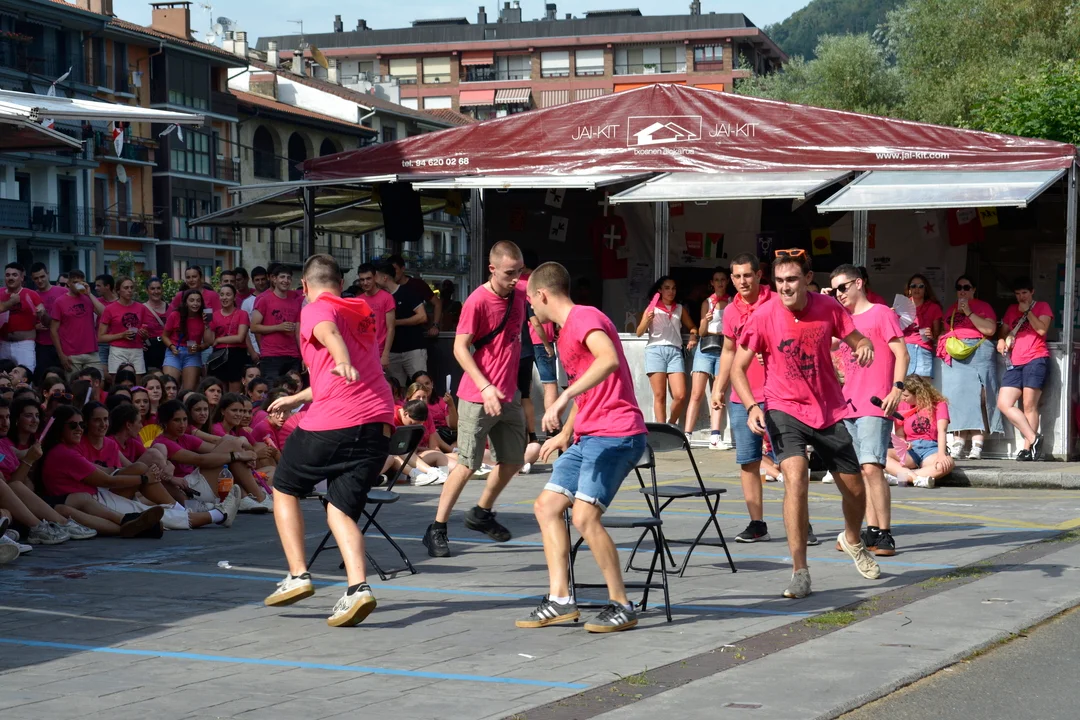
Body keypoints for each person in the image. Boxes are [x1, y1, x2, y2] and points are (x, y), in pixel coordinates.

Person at [730, 249, 881, 599]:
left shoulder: (829, 308)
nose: (785, 287)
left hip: (827, 409)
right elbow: (738, 367)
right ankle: (800, 571)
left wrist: (865, 346)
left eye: (792, 280)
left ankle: (852, 539)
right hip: (782, 407)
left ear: (808, 279)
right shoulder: (763, 315)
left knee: (855, 490)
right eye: (779, 281)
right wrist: (751, 406)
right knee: (795, 479)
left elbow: (856, 338)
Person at [262, 253, 395, 628]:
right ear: (341, 283)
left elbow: (329, 335)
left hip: (336, 421)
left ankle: (298, 574)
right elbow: (337, 372)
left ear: (305, 286)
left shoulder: (314, 309)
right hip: (378, 423)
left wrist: (341, 358)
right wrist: (297, 397)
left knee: (284, 486)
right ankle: (358, 589)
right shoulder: (360, 309)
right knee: (340, 508)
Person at [517, 261, 647, 633]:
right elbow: (590, 388)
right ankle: (560, 600)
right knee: (546, 506)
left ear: (542, 295)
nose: (530, 308)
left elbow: (608, 360)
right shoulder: (563, 335)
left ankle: (622, 605)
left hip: (617, 433)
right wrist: (565, 433)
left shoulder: (584, 318)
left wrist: (562, 397)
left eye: (530, 300)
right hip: (588, 434)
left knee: (584, 517)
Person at [422, 241, 527, 559]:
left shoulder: (521, 292)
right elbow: (459, 348)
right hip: (477, 396)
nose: (515, 278)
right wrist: (485, 387)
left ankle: (481, 512)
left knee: (513, 461)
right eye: (509, 273)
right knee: (467, 463)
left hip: (508, 395)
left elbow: (547, 288)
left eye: (519, 271)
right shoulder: (477, 301)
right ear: (492, 269)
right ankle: (437, 528)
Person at [830, 264, 908, 558]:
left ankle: (885, 533)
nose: (839, 294)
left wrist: (897, 389)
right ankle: (872, 529)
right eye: (834, 290)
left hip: (875, 403)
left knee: (873, 467)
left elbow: (902, 353)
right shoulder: (842, 320)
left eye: (842, 287)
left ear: (859, 283)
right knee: (860, 470)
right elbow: (824, 345)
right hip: (849, 404)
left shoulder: (881, 313)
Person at [712, 254, 783, 543]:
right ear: (732, 279)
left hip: (780, 394)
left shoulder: (777, 301)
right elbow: (728, 351)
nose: (743, 281)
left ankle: (803, 524)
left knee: (791, 462)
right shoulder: (730, 310)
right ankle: (757, 524)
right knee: (749, 462)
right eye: (737, 276)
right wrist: (718, 387)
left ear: (759, 275)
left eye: (747, 275)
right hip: (743, 396)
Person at [38, 405, 166, 538]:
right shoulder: (65, 453)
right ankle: (138, 525)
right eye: (73, 425)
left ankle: (135, 521)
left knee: (139, 473)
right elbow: (107, 481)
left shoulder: (65, 450)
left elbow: (110, 475)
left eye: (81, 425)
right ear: (60, 427)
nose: (79, 429)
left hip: (92, 499)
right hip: (94, 498)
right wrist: (144, 479)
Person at [938, 275, 1002, 459]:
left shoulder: (983, 306)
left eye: (966, 287)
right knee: (956, 397)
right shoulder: (951, 309)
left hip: (978, 352)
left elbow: (990, 330)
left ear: (973, 289)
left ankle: (977, 444)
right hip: (957, 353)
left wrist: (968, 312)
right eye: (959, 287)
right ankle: (958, 443)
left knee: (980, 397)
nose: (962, 291)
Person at [996, 277, 1053, 461]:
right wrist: (1001, 339)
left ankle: (1027, 449)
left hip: (1036, 358)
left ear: (1032, 292)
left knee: (1029, 405)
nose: (1021, 297)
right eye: (1018, 294)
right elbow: (1004, 330)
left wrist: (1027, 312)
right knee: (1004, 403)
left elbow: (1042, 330)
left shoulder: (1042, 306)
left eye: (1024, 293)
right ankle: (1034, 438)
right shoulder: (1011, 309)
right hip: (1015, 361)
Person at [636, 275, 698, 424]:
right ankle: (662, 429)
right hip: (655, 350)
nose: (671, 291)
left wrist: (693, 336)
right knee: (660, 396)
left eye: (673, 288)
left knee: (680, 395)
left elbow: (693, 327)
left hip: (675, 351)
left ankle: (670, 424)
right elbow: (639, 333)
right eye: (667, 288)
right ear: (660, 290)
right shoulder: (652, 308)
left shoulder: (679, 308)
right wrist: (647, 320)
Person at [685, 267, 730, 449]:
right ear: (712, 283)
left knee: (718, 393)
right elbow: (702, 332)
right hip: (705, 347)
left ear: (727, 281)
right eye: (716, 280)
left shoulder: (732, 302)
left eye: (722, 279)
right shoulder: (707, 302)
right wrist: (706, 320)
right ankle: (687, 435)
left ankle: (715, 437)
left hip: (724, 348)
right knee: (696, 393)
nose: (720, 283)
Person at [885, 374, 955, 488]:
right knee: (882, 455)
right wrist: (903, 442)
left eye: (906, 395)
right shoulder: (901, 406)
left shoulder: (939, 404)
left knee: (947, 463)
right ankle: (916, 479)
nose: (903, 398)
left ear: (918, 394)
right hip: (911, 449)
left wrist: (942, 454)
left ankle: (901, 478)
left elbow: (942, 431)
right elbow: (900, 435)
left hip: (931, 449)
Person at [375, 260, 428, 386]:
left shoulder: (408, 292)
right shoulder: (380, 297)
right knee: (396, 388)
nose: (373, 280)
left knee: (421, 386)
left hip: (413, 349)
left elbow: (422, 316)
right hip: (392, 352)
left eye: (375, 276)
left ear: (384, 277)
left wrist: (395, 323)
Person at [251, 265, 303, 380]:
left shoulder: (295, 303)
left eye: (288, 278)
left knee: (293, 389)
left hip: (293, 355)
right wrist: (278, 327)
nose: (286, 280)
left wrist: (303, 355)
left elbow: (298, 333)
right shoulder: (264, 300)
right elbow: (254, 327)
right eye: (282, 277)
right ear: (274, 279)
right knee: (272, 389)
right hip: (271, 355)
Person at [50, 269, 106, 374]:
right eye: (75, 282)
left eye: (81, 282)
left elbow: (104, 314)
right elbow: (53, 330)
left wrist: (89, 294)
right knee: (74, 383)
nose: (78, 285)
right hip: (71, 354)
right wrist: (61, 355)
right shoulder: (59, 302)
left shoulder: (88, 298)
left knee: (98, 381)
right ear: (68, 283)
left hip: (92, 351)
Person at [97, 276, 150, 376]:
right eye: (126, 288)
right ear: (118, 290)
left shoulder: (141, 308)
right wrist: (122, 335)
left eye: (131, 287)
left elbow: (146, 332)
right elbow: (100, 337)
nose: (129, 290)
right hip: (118, 350)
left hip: (137, 349)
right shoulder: (110, 309)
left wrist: (144, 334)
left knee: (138, 381)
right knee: (117, 381)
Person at [163, 288, 213, 390]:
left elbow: (209, 342)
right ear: (185, 302)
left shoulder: (203, 317)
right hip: (174, 352)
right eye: (192, 300)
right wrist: (171, 347)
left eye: (198, 301)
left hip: (193, 355)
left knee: (188, 390)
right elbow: (164, 336)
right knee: (169, 386)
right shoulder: (175, 315)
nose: (195, 303)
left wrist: (206, 325)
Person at [0, 262, 46, 372]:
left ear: (22, 278)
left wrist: (42, 313)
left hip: (24, 344)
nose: (10, 278)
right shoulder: (0, 293)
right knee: (3, 377)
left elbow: (46, 321)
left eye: (14, 275)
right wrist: (11, 302)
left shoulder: (32, 294)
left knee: (25, 376)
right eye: (7, 275)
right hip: (3, 344)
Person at [210, 284, 251, 392]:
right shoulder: (214, 315)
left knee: (235, 391)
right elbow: (210, 340)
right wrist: (206, 325)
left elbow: (240, 337)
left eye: (228, 294)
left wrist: (219, 340)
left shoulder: (242, 314)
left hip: (236, 353)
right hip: (219, 355)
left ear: (234, 297)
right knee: (219, 389)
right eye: (222, 294)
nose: (224, 297)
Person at [388, 253, 441, 337]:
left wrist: (435, 325)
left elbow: (437, 303)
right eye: (389, 270)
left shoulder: (417, 284)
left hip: (415, 335)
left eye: (394, 269)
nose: (392, 273)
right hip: (393, 337)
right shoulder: (386, 289)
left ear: (403, 269)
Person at [29, 262, 66, 381]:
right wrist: (35, 326)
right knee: (42, 379)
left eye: (42, 276)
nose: (40, 280)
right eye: (36, 278)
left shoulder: (63, 291)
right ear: (32, 279)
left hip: (63, 343)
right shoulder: (31, 296)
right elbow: (26, 321)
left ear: (48, 274)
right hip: (42, 344)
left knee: (64, 378)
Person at [902, 273, 943, 378]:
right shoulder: (901, 306)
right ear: (909, 289)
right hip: (904, 349)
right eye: (913, 286)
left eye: (921, 286)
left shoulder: (934, 308)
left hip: (923, 349)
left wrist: (932, 335)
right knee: (903, 385)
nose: (917, 289)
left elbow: (937, 335)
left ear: (925, 289)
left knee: (923, 386)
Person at [354, 263, 395, 368]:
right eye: (362, 280)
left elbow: (391, 328)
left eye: (368, 279)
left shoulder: (387, 297)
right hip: (363, 352)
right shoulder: (358, 300)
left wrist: (386, 353)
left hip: (380, 351)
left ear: (375, 277)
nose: (365, 282)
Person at [142, 276, 170, 370]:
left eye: (158, 288)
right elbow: (135, 329)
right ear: (147, 291)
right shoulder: (141, 309)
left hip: (167, 348)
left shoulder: (170, 308)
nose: (156, 291)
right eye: (152, 289)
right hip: (150, 350)